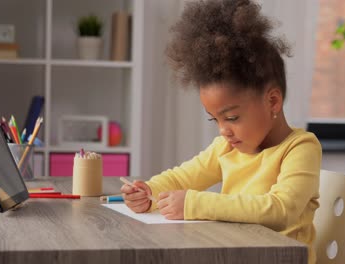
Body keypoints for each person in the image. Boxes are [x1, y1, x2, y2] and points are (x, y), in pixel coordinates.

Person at [120, 0, 322, 263]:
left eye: (232, 117)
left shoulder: (300, 148)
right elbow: (182, 179)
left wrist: (194, 204)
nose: (223, 130)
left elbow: (281, 210)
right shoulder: (227, 147)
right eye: (214, 120)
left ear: (272, 101)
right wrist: (148, 192)